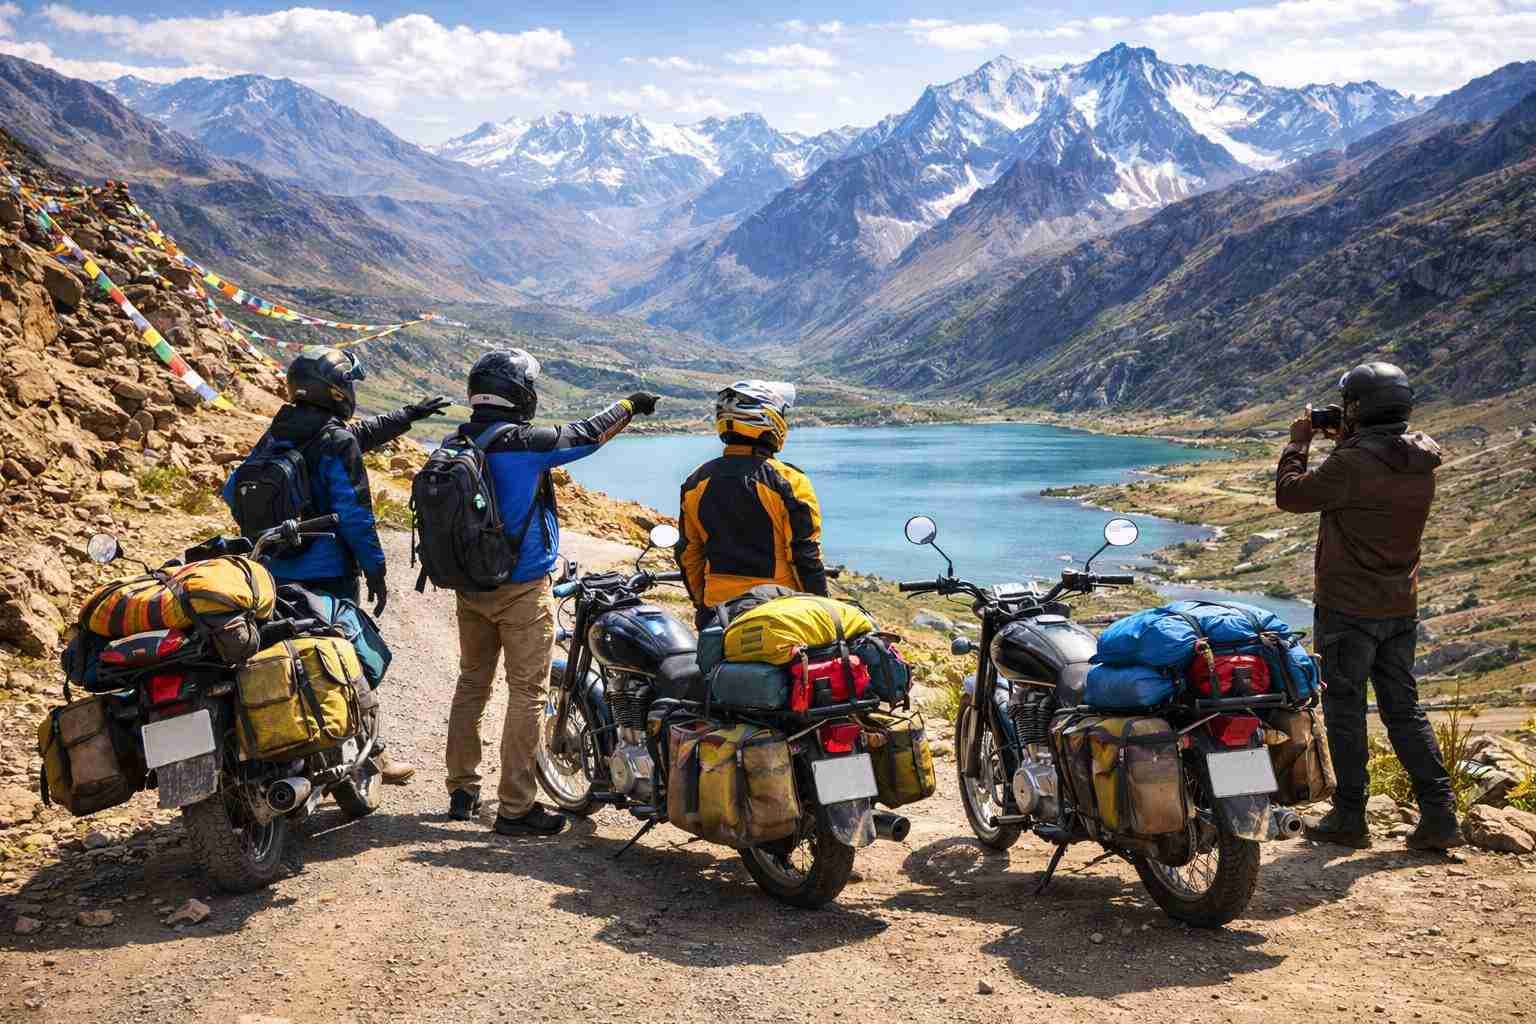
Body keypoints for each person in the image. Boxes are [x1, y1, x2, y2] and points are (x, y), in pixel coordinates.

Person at [444, 349, 658, 835]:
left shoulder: (458, 440)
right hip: (520, 589)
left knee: (472, 684)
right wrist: (629, 404)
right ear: (519, 393)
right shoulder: (524, 442)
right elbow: (586, 435)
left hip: (469, 588)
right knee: (528, 694)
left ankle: (461, 790)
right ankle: (516, 807)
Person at [224, 345, 450, 785]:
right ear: (337, 389)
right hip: (325, 572)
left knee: (276, 653)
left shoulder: (278, 430)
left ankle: (286, 745)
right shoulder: (332, 439)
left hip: (270, 570)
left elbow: (236, 490)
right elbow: (355, 514)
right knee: (346, 658)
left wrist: (407, 415)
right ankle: (370, 755)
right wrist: (377, 569)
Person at [1275, 361, 1461, 850]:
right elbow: (1370, 472)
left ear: (1357, 408)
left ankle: (1350, 817)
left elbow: (1291, 496)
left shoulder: (1351, 465)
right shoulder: (1419, 460)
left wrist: (1299, 443)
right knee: (1404, 709)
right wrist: (1348, 439)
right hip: (1399, 607)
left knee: (1345, 709)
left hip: (1347, 610)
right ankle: (1440, 814)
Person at [676, 381, 827, 628]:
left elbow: (689, 553)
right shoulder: (788, 481)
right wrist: (823, 608)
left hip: (719, 614)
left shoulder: (696, 481)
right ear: (768, 420)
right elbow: (805, 555)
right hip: (779, 613)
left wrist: (701, 606)